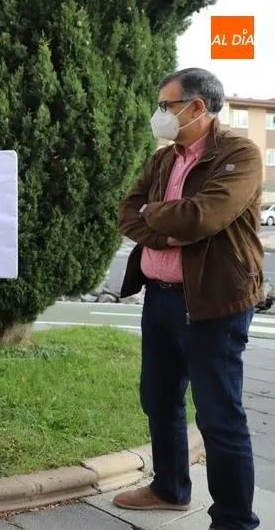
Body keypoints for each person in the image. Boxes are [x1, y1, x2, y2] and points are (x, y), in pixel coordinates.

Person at [117, 67, 263, 530]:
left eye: (166, 105)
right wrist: (164, 230)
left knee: (220, 416)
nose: (160, 114)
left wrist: (156, 216)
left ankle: (234, 520)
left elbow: (203, 217)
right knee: (158, 399)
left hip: (214, 304)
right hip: (160, 299)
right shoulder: (163, 159)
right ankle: (170, 488)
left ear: (197, 107)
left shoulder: (239, 154)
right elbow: (127, 213)